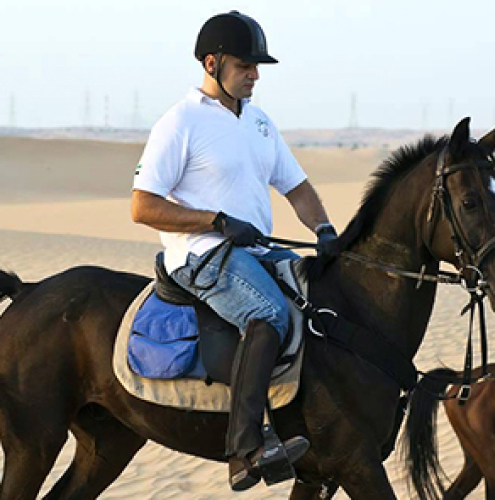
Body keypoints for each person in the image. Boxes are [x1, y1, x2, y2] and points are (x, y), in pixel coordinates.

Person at [131, 10, 338, 492]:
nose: (255, 75)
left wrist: (325, 228)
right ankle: (246, 450)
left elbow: (298, 188)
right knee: (268, 314)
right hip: (200, 254)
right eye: (245, 65)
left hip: (255, 250)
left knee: (327, 293)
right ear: (212, 62)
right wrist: (216, 222)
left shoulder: (260, 122)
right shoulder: (180, 122)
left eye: (257, 67)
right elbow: (142, 206)